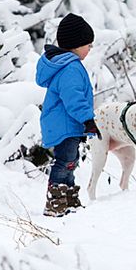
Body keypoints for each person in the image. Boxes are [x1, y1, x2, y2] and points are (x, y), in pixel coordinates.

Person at [34, 13, 101, 217]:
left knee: (70, 162)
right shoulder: (70, 68)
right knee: (65, 162)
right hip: (66, 124)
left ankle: (68, 198)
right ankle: (55, 201)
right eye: (87, 45)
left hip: (66, 124)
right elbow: (74, 98)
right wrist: (87, 120)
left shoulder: (68, 66)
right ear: (75, 44)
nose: (90, 49)